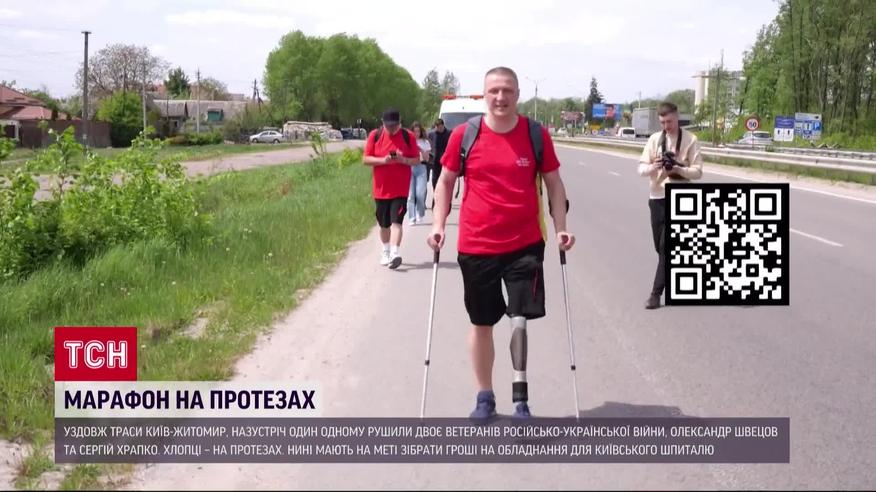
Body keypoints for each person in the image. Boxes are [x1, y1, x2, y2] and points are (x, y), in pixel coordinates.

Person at [427, 66, 575, 419]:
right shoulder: (465, 135)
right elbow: (445, 182)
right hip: (477, 245)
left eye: (507, 90)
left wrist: (561, 228)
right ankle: (485, 395)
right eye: (494, 90)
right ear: (484, 95)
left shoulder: (535, 134)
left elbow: (554, 184)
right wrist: (438, 225)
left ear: (517, 94)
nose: (500, 97)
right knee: (482, 322)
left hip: (525, 243)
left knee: (519, 317)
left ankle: (521, 398)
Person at [637, 101, 703, 309]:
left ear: (678, 118)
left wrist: (679, 168)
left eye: (670, 122)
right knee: (660, 247)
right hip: (657, 197)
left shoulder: (691, 139)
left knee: (666, 247)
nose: (667, 126)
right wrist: (654, 166)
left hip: (681, 197)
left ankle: (655, 295)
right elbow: (641, 169)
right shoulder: (655, 140)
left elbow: (698, 172)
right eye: (663, 122)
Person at [363, 107, 421, 269]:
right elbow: (365, 159)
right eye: (388, 126)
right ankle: (386, 251)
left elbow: (417, 160)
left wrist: (403, 160)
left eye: (395, 126)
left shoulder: (408, 136)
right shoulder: (375, 135)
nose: (392, 129)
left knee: (397, 222)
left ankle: (395, 253)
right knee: (384, 225)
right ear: (383, 123)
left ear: (400, 123)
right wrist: (383, 161)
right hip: (381, 190)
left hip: (400, 189)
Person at [407, 121, 431, 225]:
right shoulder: (408, 141)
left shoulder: (425, 142)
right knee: (411, 195)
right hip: (410, 167)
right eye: (414, 131)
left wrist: (420, 149)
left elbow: (427, 158)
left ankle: (419, 213)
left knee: (420, 194)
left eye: (418, 131)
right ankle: (411, 218)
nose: (416, 133)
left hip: (421, 167)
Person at [427, 118, 451, 208]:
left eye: (440, 127)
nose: (438, 129)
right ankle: (436, 199)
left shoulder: (449, 133)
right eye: (437, 127)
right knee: (435, 182)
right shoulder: (432, 134)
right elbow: (425, 139)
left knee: (445, 182)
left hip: (445, 162)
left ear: (443, 125)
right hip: (435, 162)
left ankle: (446, 200)